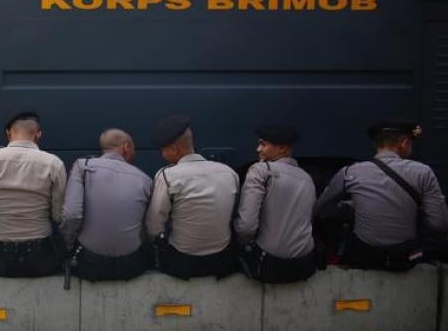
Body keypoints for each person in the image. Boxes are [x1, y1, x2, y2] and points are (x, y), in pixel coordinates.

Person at [315, 119, 448, 271]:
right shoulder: (423, 172)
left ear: (376, 145)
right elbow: (439, 223)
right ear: (404, 143)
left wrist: (351, 208)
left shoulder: (349, 172)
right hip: (405, 258)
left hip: (365, 256)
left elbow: (322, 209)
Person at [145, 115, 240, 279]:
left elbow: (154, 226)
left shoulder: (167, 176)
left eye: (163, 149)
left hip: (183, 263)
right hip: (222, 261)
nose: (161, 153)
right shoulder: (229, 173)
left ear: (174, 150)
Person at [0, 111, 67, 277]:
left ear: (8, 133)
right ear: (38, 135)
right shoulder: (53, 163)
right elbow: (58, 213)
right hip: (40, 256)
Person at [60, 128, 153, 281]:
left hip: (89, 263)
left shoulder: (83, 167)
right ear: (126, 147)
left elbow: (71, 214)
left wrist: (68, 247)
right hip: (131, 265)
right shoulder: (145, 179)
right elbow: (147, 226)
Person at [234, 125, 322, 283]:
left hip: (270, 264)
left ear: (282, 148)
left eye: (263, 144)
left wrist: (244, 243)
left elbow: (246, 227)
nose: (258, 149)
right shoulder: (307, 178)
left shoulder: (261, 170)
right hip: (303, 265)